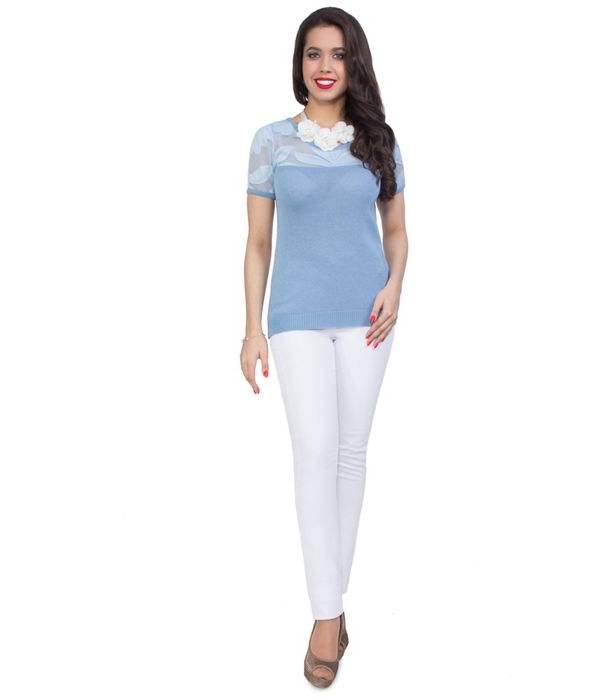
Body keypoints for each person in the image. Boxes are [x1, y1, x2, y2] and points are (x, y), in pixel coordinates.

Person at [240, 7, 409, 688]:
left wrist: (395, 286)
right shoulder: (271, 141)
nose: (325, 66)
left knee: (350, 453)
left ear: (354, 63)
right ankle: (326, 615)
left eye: (338, 54)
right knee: (314, 451)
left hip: (368, 315)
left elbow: (396, 230)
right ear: (300, 64)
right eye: (314, 54)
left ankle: (331, 606)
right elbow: (257, 242)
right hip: (295, 316)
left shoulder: (379, 141)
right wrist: (252, 327)